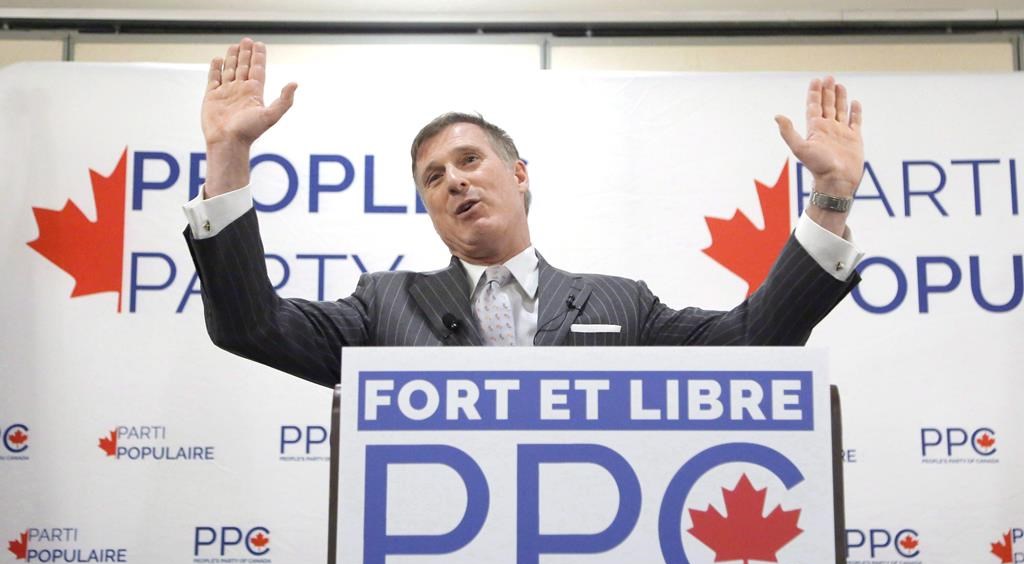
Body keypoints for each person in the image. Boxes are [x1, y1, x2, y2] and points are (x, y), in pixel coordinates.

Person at [183, 38, 865, 389]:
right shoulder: (381, 308)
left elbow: (755, 341)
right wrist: (228, 157)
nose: (453, 181)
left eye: (470, 161)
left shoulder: (622, 307)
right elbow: (250, 324)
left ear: (519, 174)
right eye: (433, 178)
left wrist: (830, 198)